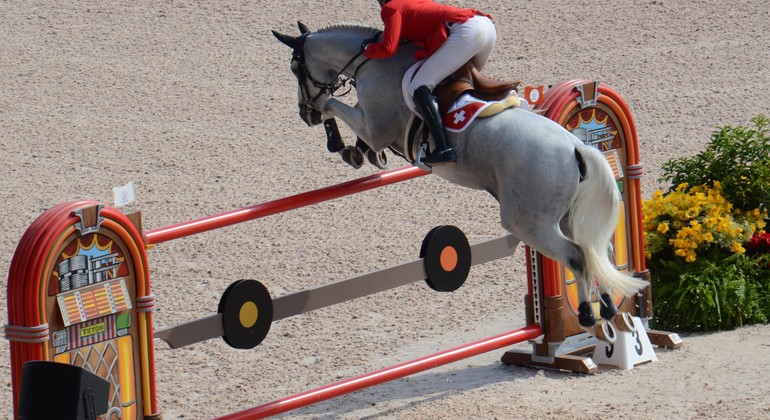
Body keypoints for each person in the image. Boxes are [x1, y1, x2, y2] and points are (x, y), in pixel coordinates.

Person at [363, 0, 496, 165]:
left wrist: (367, 49)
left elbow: (389, 47)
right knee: (460, 81)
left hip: (466, 32)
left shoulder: (392, 8)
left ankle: (443, 148)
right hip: (486, 27)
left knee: (419, 85)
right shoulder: (413, 2)